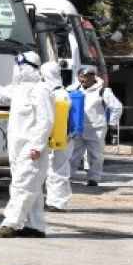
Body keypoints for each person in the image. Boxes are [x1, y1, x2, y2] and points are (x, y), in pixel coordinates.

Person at [0, 52, 54, 237]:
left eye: (21, 65)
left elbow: (46, 120)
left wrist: (37, 146)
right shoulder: (20, 88)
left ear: (31, 67)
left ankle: (12, 223)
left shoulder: (41, 90)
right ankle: (35, 226)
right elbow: (3, 94)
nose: (18, 68)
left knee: (22, 186)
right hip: (17, 148)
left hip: (31, 148)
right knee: (30, 188)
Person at [69, 66, 123, 187]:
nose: (83, 79)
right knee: (72, 154)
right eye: (81, 77)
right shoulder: (74, 89)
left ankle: (93, 178)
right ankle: (67, 177)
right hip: (77, 128)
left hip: (96, 128)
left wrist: (112, 124)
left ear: (93, 77)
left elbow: (117, 107)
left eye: (86, 77)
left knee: (95, 155)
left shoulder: (103, 91)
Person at [41, 62, 72, 212]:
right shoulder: (61, 92)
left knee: (58, 170)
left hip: (61, 136)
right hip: (59, 136)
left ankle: (59, 203)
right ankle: (54, 201)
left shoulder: (57, 94)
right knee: (53, 169)